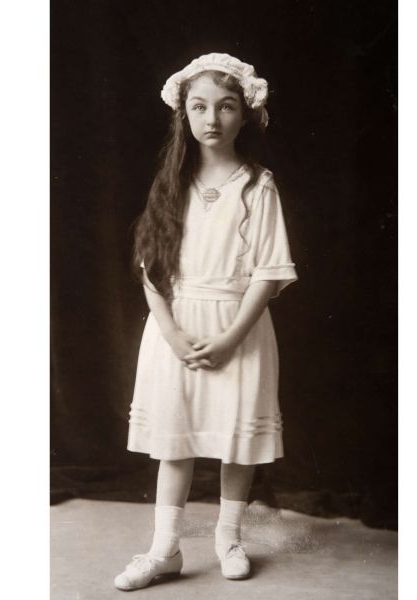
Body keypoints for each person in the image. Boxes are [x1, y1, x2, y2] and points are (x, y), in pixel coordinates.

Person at [114, 52, 298, 591]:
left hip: (237, 327)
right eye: (199, 107)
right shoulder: (172, 183)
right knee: (175, 442)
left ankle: (229, 539)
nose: (212, 118)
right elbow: (151, 267)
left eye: (226, 106)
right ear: (184, 114)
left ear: (245, 114)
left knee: (235, 440)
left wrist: (231, 338)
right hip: (176, 329)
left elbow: (268, 271)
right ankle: (164, 549)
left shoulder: (257, 185)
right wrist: (172, 333)